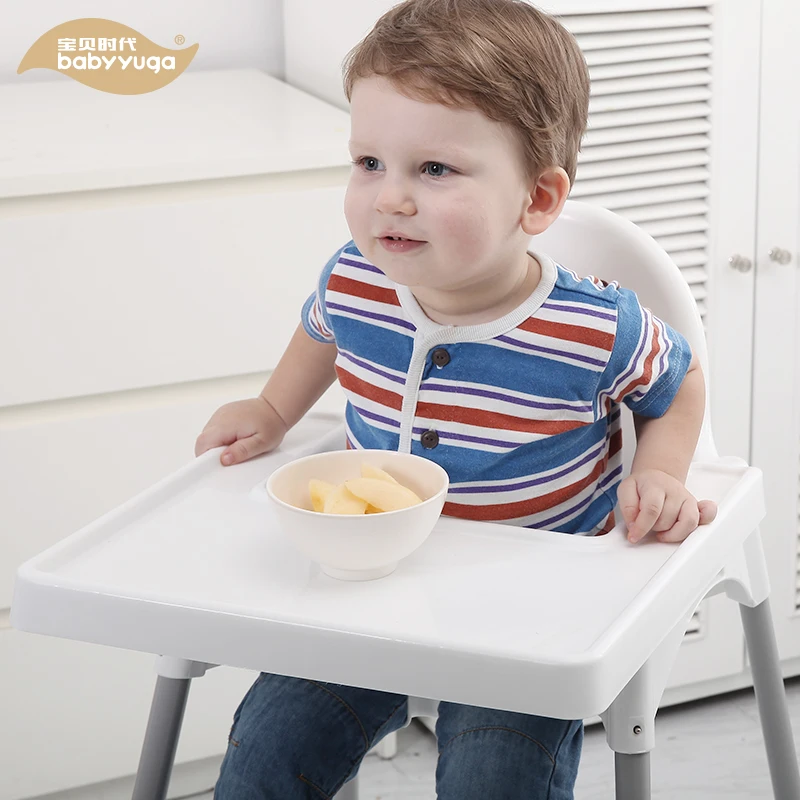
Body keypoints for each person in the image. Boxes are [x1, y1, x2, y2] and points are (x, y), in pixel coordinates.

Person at [196, 0, 717, 796]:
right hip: (369, 578)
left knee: (494, 777)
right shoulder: (358, 278)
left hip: (529, 608)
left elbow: (676, 386)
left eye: (433, 170)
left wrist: (664, 471)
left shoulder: (593, 324)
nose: (389, 199)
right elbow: (321, 332)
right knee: (264, 753)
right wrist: (273, 412)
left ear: (537, 201)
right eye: (368, 162)